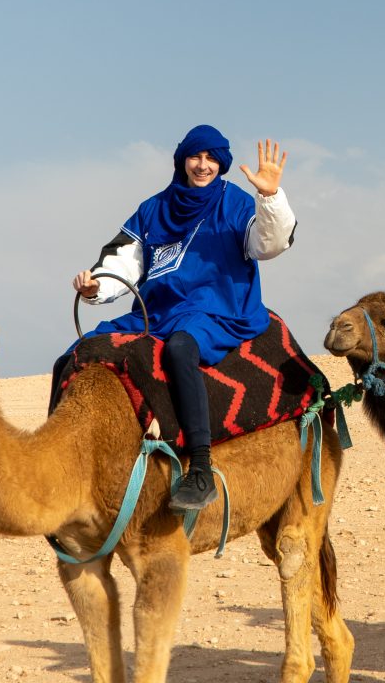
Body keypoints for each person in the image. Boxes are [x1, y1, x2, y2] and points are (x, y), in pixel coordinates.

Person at [62, 124, 297, 512]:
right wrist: (95, 286)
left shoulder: (235, 203)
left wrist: (269, 197)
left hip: (219, 308)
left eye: (211, 158)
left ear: (221, 164)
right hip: (158, 312)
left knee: (181, 348)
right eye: (195, 156)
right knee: (82, 350)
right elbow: (124, 263)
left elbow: (268, 244)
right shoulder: (154, 209)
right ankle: (61, 462)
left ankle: (200, 469)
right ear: (182, 160)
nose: (203, 165)